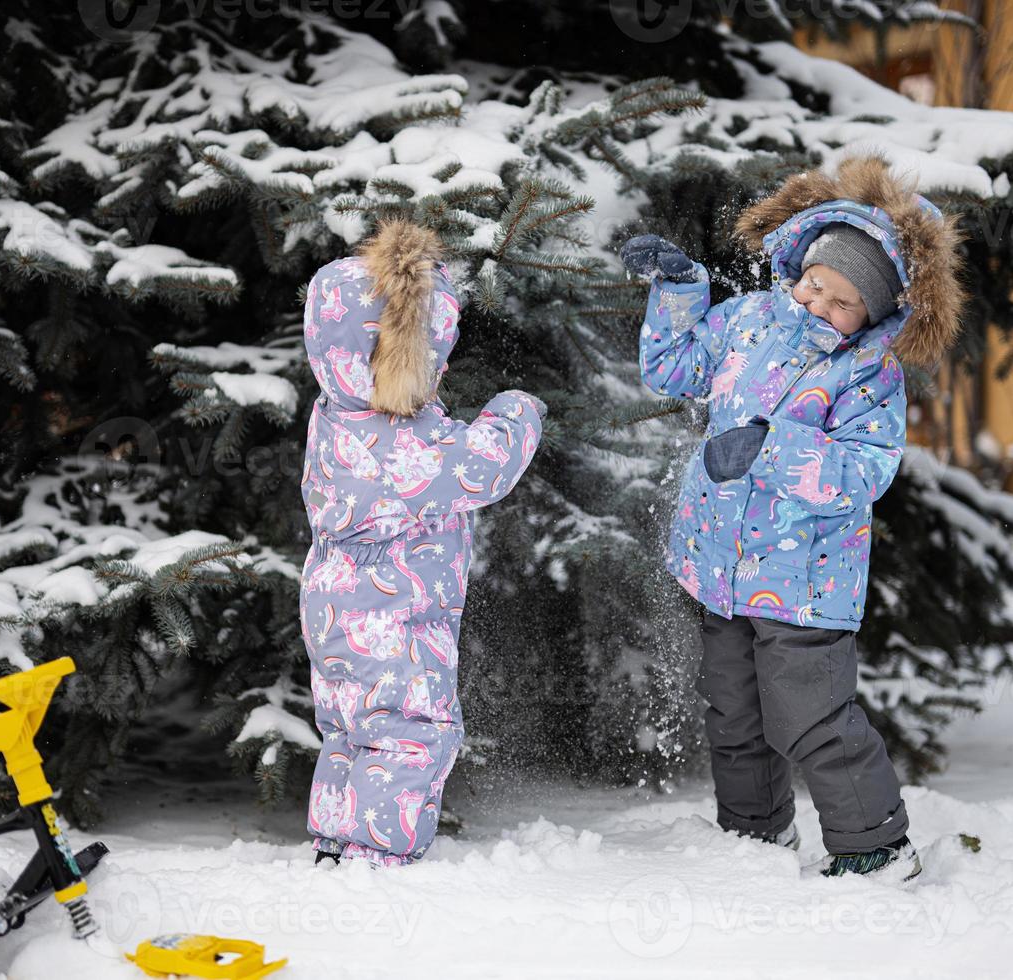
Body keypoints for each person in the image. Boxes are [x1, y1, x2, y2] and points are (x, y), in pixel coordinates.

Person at [621, 154, 965, 880]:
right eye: (816, 285)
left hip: (805, 584)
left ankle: (874, 847)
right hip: (720, 568)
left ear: (874, 313)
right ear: (799, 268)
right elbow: (672, 370)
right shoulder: (747, 320)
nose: (820, 307)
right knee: (734, 718)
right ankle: (753, 839)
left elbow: (865, 471)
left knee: (810, 718)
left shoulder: (869, 373)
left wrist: (772, 447)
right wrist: (681, 291)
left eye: (843, 303)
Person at [299, 218, 546, 867]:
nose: (437, 373)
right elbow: (484, 465)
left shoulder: (336, 414)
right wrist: (517, 409)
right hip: (393, 621)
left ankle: (337, 838)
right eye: (429, 359)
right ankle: (379, 859)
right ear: (397, 361)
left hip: (333, 610)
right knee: (411, 732)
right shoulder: (403, 445)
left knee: (352, 730)